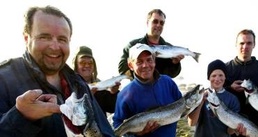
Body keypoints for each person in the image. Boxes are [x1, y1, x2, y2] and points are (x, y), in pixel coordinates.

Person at [0, 5, 115, 137]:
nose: (55, 47)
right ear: (27, 38)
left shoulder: (78, 84)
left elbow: (105, 131)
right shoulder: (3, 79)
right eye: (45, 37)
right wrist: (21, 117)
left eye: (62, 39)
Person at [113, 44, 182, 137]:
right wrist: (137, 134)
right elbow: (117, 125)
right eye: (139, 62)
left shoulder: (168, 82)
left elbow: (182, 106)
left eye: (149, 60)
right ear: (130, 65)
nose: (145, 65)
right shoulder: (124, 95)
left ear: (154, 61)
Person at [225, 29, 258, 136]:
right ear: (236, 44)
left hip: (257, 126)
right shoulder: (226, 69)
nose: (245, 47)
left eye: (249, 43)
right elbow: (217, 93)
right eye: (242, 43)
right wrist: (230, 87)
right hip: (231, 128)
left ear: (254, 45)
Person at [118, 9, 184, 78]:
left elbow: (172, 75)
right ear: (147, 23)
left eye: (162, 23)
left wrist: (175, 63)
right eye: (155, 21)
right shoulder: (132, 46)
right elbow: (122, 70)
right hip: (140, 87)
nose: (158, 25)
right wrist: (141, 76)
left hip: (160, 87)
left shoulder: (170, 48)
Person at [188, 59, 246, 137]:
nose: (217, 79)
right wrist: (201, 102)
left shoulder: (232, 99)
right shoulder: (199, 95)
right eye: (214, 75)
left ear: (225, 77)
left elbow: (229, 132)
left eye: (221, 75)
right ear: (209, 78)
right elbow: (191, 123)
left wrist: (237, 128)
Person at [73, 46, 120, 114]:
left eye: (90, 63)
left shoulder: (100, 86)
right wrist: (87, 98)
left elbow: (112, 109)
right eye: (82, 63)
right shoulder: (69, 87)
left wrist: (113, 93)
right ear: (75, 65)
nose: (87, 65)